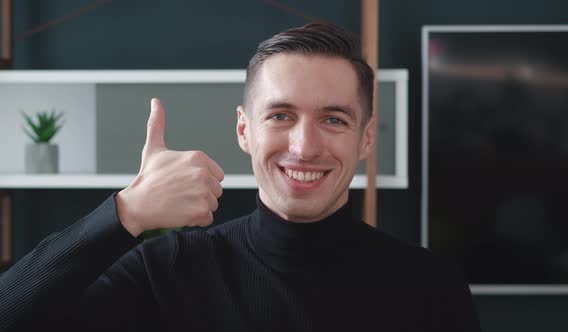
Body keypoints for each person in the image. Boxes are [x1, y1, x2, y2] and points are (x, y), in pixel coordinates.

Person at [0, 23, 480, 331]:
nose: (304, 146)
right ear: (244, 130)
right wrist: (124, 212)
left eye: (333, 119)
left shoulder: (429, 287)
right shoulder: (167, 272)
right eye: (281, 116)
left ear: (367, 139)